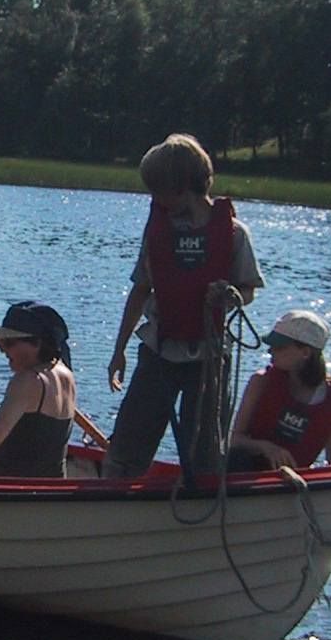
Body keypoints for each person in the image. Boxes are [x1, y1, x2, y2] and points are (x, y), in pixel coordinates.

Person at [103, 133, 263, 479]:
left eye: (157, 190)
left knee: (204, 451)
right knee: (130, 441)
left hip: (209, 357)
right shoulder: (158, 231)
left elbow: (248, 290)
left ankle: (202, 504)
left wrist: (230, 294)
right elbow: (140, 291)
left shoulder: (234, 234)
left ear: (180, 187)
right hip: (159, 349)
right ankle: (115, 497)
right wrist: (119, 351)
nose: (154, 199)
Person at [0, 301, 77, 477]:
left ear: (37, 343)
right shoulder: (66, 375)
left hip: (9, 484)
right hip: (51, 486)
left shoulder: (27, 381)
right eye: (0, 343)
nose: (3, 350)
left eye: (9, 343)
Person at [227, 309, 331, 471]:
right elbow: (234, 440)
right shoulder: (261, 381)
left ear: (305, 352)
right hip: (246, 473)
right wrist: (266, 447)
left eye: (280, 347)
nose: (270, 351)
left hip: (294, 480)